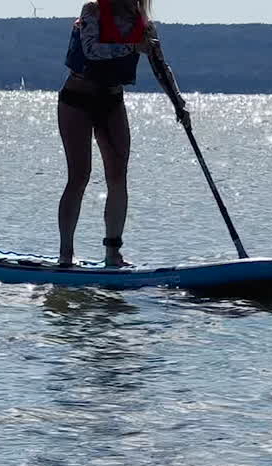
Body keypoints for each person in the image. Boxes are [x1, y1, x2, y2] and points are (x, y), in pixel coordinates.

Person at [56, 0, 189, 267]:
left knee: (118, 175)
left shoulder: (145, 26)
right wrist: (132, 47)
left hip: (112, 102)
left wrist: (179, 104)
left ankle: (113, 253)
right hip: (77, 99)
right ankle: (66, 254)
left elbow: (161, 67)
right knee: (79, 175)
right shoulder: (91, 11)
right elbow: (92, 50)